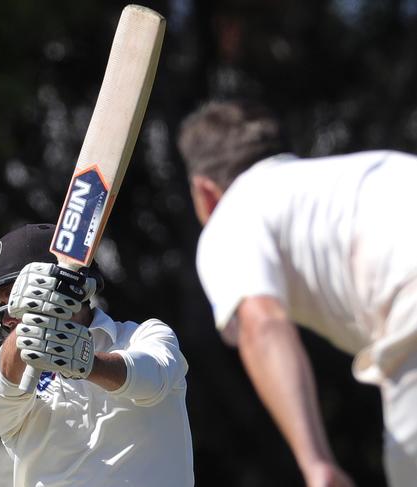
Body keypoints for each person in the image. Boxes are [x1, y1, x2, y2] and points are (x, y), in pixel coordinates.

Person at [177, 99, 417, 487]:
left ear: (205, 192)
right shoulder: (346, 177)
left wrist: (316, 463)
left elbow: (262, 324)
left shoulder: (231, 217)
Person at [0, 223, 194, 487]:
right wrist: (31, 328)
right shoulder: (9, 377)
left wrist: (86, 361)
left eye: (15, 296)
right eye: (3, 303)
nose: (8, 317)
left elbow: (153, 380)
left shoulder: (145, 336)